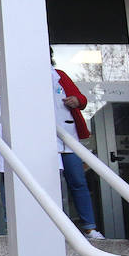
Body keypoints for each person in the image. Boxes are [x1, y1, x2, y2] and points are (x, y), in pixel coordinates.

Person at [53, 60, 104, 239]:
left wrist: (76, 100)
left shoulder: (59, 75)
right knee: (50, 184)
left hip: (68, 137)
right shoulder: (26, 77)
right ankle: (55, 227)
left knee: (77, 181)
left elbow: (81, 99)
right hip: (43, 139)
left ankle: (89, 227)